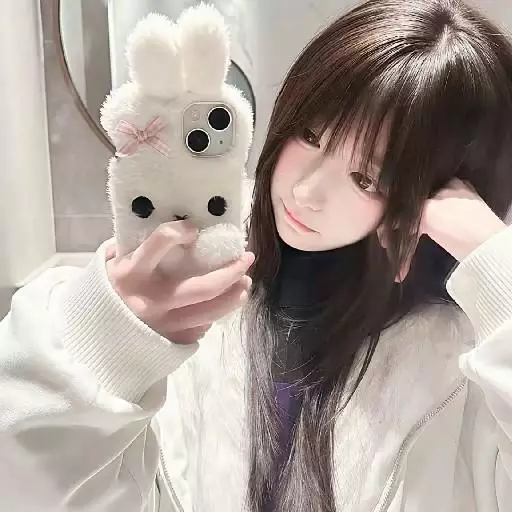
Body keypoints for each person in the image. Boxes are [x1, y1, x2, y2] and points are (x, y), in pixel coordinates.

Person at [2, 0, 512, 510]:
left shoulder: (463, 367)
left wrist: (495, 263)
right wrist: (105, 341)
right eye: (310, 136)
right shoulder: (190, 287)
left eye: (365, 178)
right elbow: (25, 481)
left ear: (434, 200)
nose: (307, 190)